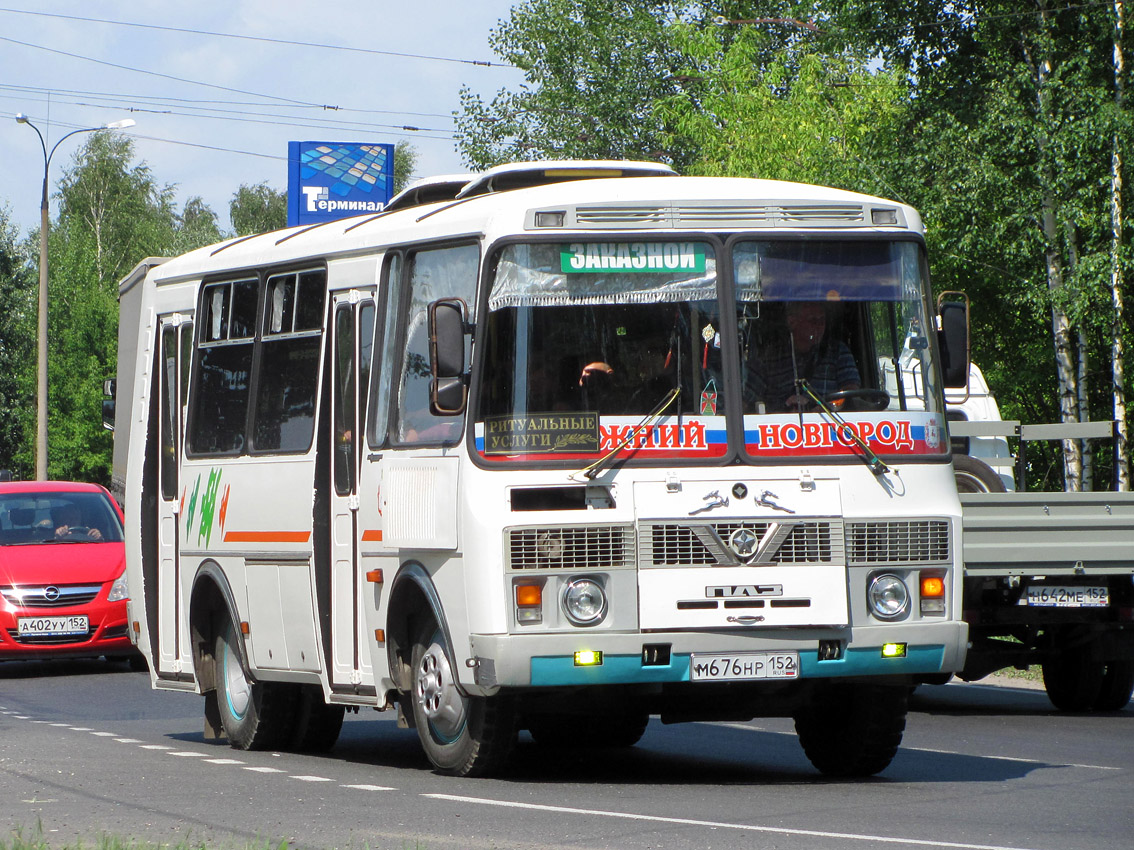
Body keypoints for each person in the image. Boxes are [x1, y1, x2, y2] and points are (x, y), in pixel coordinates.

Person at [748, 301, 860, 412]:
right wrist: (785, 408)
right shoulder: (769, 359)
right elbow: (746, 402)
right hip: (779, 427)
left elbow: (851, 394)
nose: (819, 326)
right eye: (813, 320)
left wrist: (823, 408)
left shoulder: (838, 352)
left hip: (829, 424)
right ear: (792, 322)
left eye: (822, 320)